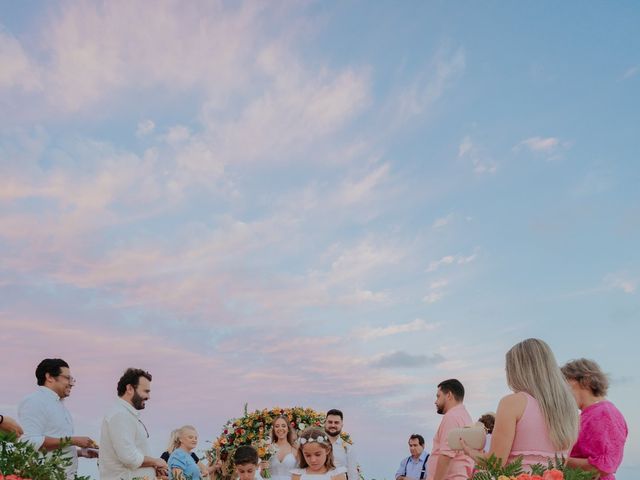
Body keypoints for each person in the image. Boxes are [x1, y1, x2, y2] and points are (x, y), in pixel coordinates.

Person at [461, 338, 579, 471]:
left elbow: (495, 463)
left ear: (518, 371)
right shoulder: (570, 410)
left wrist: (470, 452)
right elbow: (561, 464)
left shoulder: (512, 403)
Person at [18, 358, 98, 480]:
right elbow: (30, 442)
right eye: (67, 378)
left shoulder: (59, 405)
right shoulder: (34, 401)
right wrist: (73, 440)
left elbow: (53, 448)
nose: (71, 383)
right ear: (49, 377)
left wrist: (79, 453)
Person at [561, 358, 628, 479]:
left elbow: (603, 466)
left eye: (565, 383)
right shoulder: (589, 414)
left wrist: (559, 459)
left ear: (584, 380)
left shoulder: (605, 414)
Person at [99, 367, 168, 480]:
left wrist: (153, 466)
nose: (148, 397)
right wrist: (156, 461)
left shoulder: (126, 414)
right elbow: (129, 458)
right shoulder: (120, 415)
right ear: (130, 388)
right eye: (146, 391)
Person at [425, 379, 473, 480]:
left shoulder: (451, 417)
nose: (435, 401)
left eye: (438, 396)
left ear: (449, 395)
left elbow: (446, 456)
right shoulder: (465, 416)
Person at [260, 415, 297, 479]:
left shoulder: (295, 450)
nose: (280, 428)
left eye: (283, 426)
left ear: (288, 429)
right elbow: (263, 475)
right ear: (274, 430)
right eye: (277, 426)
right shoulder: (267, 449)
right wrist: (263, 469)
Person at [324, 409, 358, 480]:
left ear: (341, 424)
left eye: (336, 423)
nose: (333, 425)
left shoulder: (348, 448)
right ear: (325, 423)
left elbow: (352, 474)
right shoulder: (315, 443)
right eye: (330, 422)